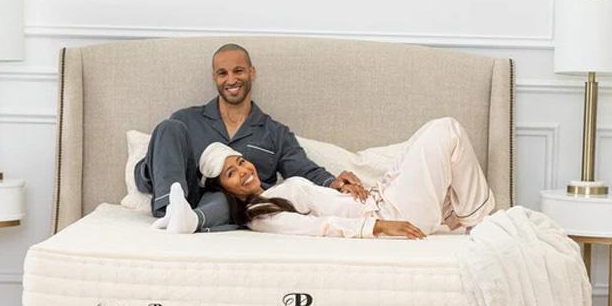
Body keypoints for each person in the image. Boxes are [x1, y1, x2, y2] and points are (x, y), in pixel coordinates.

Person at [134, 43, 366, 233]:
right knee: (168, 127)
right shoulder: (186, 120)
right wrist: (157, 167)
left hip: (239, 207)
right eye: (222, 73)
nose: (231, 79)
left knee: (229, 199)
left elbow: (303, 170)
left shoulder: (274, 132)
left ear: (251, 72)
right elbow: (142, 177)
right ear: (215, 78)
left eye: (238, 71)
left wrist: (333, 182)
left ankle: (191, 220)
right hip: (187, 195)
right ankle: (171, 211)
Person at [153, 117, 495, 239]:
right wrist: (378, 227)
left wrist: (338, 183)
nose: (244, 171)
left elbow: (315, 183)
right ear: (222, 188)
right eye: (231, 172)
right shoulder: (261, 215)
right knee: (445, 129)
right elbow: (319, 228)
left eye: (241, 162)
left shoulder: (276, 189)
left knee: (423, 137)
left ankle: (460, 215)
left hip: (382, 200)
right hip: (386, 215)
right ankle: (477, 220)